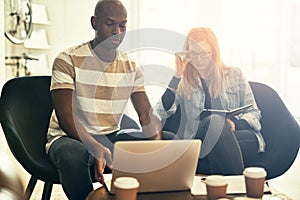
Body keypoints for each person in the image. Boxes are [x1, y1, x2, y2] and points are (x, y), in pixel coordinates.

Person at [45, 1, 173, 199]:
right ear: (94, 23)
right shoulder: (67, 59)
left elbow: (145, 114)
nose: (117, 31)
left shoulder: (129, 66)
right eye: (110, 24)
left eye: (122, 25)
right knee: (72, 156)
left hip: (110, 135)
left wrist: (155, 143)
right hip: (69, 137)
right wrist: (95, 146)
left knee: (169, 141)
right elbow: (66, 116)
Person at [156, 27, 265, 175]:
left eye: (204, 53)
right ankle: (237, 188)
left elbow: (254, 112)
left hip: (238, 135)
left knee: (218, 139)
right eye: (193, 54)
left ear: (214, 52)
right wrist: (176, 76)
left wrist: (235, 124)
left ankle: (214, 183)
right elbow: (161, 112)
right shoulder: (184, 81)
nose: (199, 60)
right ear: (186, 54)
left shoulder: (234, 75)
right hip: (201, 139)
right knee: (214, 123)